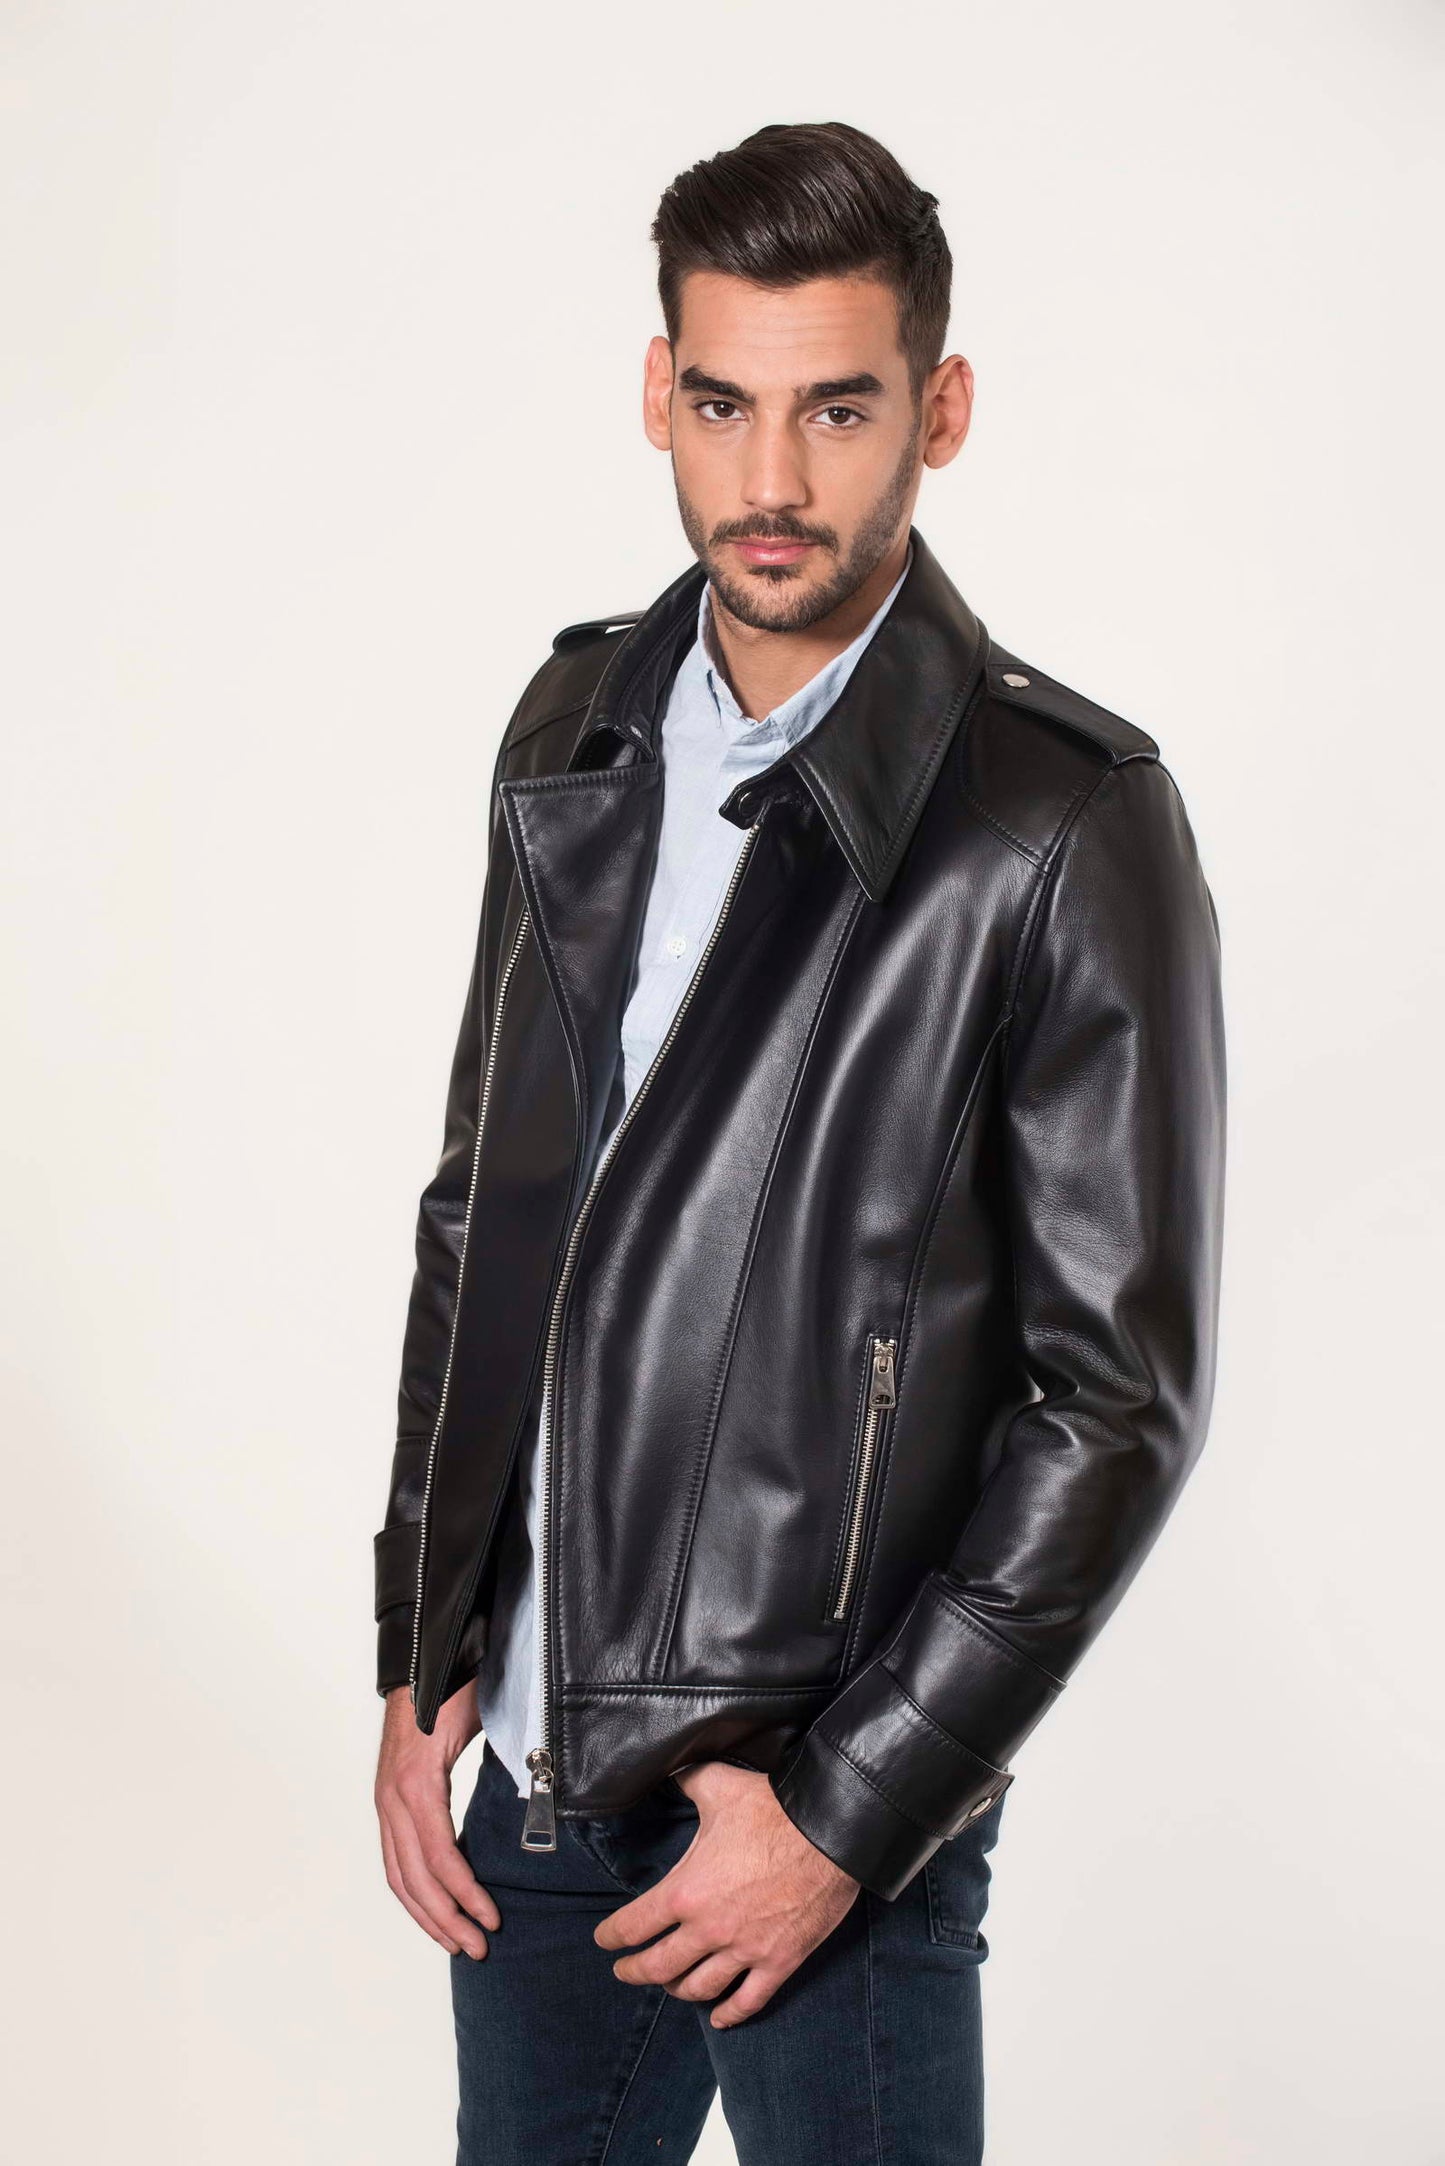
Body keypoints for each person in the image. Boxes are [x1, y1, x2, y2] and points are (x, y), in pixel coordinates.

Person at [371, 119, 1225, 2164]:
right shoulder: (570, 730)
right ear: (655, 390)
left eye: (837, 408)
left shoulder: (1061, 818)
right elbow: (486, 1207)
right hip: (535, 1790)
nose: (770, 479)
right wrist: (420, 1646)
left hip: (822, 1820)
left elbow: (1117, 1399)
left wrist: (849, 1809)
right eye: (724, 404)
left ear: (940, 410)